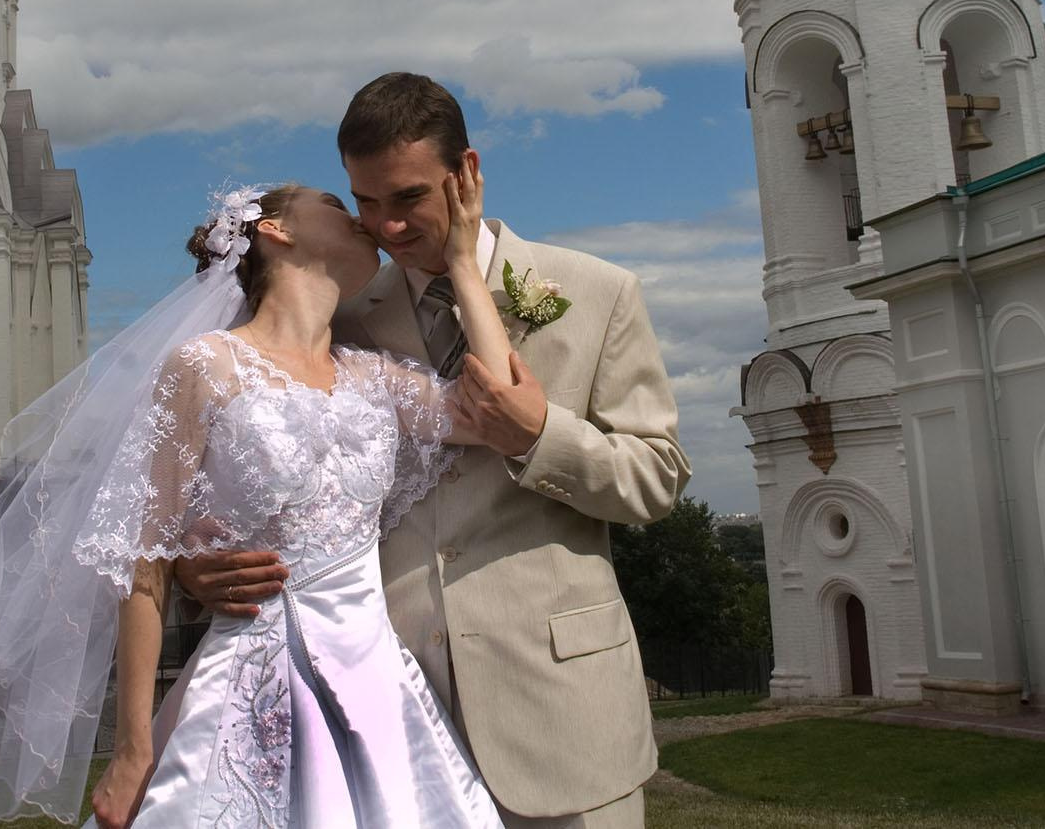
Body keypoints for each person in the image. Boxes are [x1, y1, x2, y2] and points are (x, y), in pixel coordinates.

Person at [179, 73, 690, 827]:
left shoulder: (597, 291)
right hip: (385, 716)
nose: (385, 227)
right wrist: (198, 563)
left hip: (561, 710)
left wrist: (540, 437)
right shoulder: (345, 321)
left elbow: (656, 477)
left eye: (408, 197)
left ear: (467, 173)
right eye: (365, 202)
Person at [0, 163, 514, 826]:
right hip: (250, 686)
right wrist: (133, 748)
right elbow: (143, 562)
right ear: (274, 230)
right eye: (335, 202)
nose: (364, 218)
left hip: (379, 693)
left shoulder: (375, 378)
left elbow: (499, 409)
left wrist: (464, 264)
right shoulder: (203, 366)